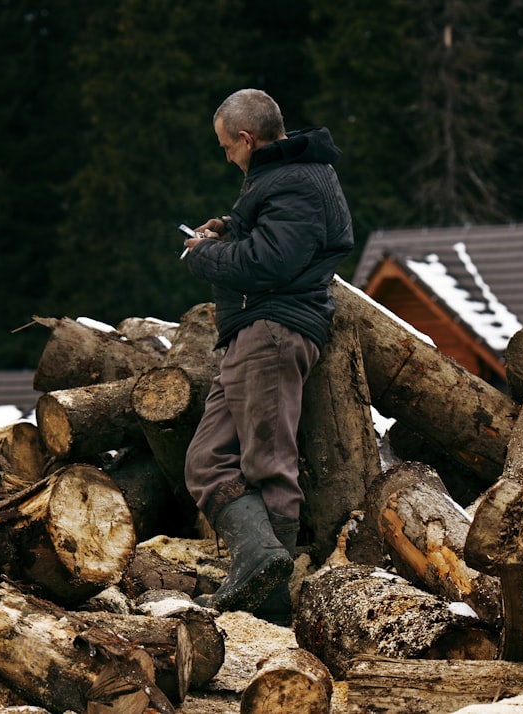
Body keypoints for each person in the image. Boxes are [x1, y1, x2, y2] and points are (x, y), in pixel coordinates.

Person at [182, 88, 354, 622]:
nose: (226, 157)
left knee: (267, 465)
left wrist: (208, 254)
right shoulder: (286, 174)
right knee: (206, 459)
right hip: (252, 334)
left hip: (273, 331)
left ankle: (274, 602)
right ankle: (259, 563)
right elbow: (274, 237)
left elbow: (271, 262)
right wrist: (229, 228)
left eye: (227, 147)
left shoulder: (296, 181)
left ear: (247, 138)